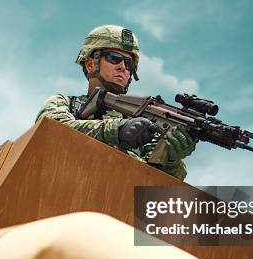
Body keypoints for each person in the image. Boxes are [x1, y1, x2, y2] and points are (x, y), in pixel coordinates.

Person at [36, 25, 196, 180]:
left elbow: (152, 185)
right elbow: (50, 130)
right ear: (91, 64)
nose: (122, 67)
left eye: (129, 63)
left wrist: (170, 160)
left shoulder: (144, 125)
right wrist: (117, 130)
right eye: (114, 58)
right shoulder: (65, 104)